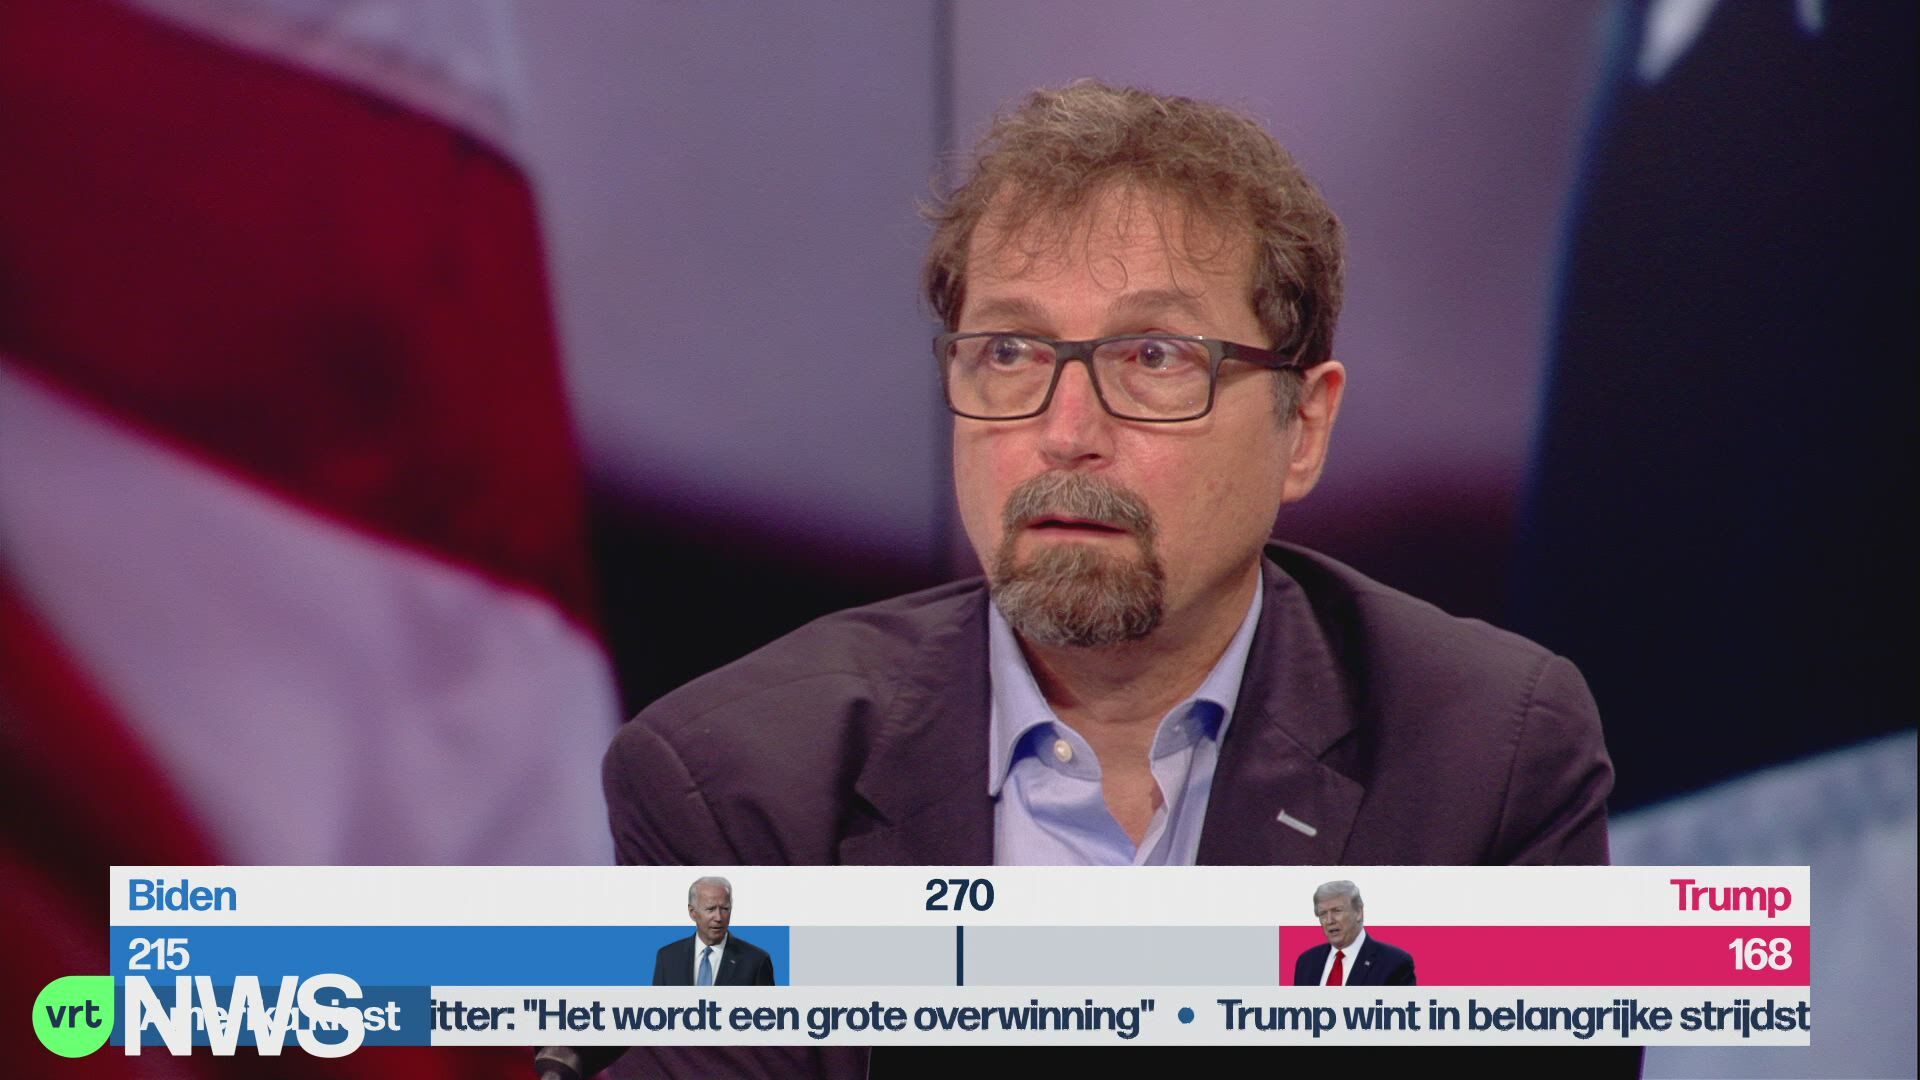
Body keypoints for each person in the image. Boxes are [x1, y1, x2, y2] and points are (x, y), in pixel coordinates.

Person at [583, 79, 1623, 1078]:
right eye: (1009, 352)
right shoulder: (740, 782)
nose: (1064, 431)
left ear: (1303, 427)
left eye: (1155, 357)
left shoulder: (1484, 756)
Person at [651, 876, 774, 987]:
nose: (719, 918)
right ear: (692, 912)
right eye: (711, 909)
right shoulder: (667, 958)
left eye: (725, 909)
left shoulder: (756, 961)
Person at [1294, 880, 1414, 986]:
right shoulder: (1306, 962)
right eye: (1323, 913)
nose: (1329, 920)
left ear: (1358, 912)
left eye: (1337, 911)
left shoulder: (1395, 963)